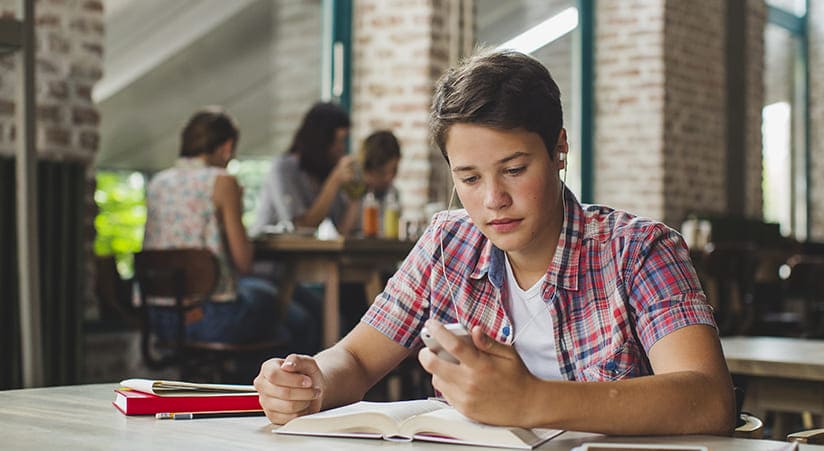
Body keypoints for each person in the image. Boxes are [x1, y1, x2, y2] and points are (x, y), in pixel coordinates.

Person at [254, 50, 735, 435]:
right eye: (468, 177)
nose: (493, 200)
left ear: (559, 150)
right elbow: (356, 359)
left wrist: (531, 401)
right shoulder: (448, 242)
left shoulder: (639, 250)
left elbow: (710, 398)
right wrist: (309, 382)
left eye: (514, 169)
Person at [143, 106, 317, 355]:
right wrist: (236, 204)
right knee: (293, 313)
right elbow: (244, 262)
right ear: (226, 147)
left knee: (276, 304)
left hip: (161, 321)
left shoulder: (158, 182)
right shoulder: (222, 181)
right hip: (211, 318)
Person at [252, 102, 360, 237]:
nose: (341, 148)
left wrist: (357, 193)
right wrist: (335, 180)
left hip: (304, 254)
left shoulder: (326, 173)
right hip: (270, 253)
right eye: (338, 141)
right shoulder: (283, 168)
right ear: (322, 139)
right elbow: (301, 227)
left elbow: (343, 231)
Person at [360, 130, 401, 202]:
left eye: (394, 170)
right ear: (367, 170)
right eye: (382, 173)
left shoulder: (392, 193)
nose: (388, 178)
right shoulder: (347, 192)